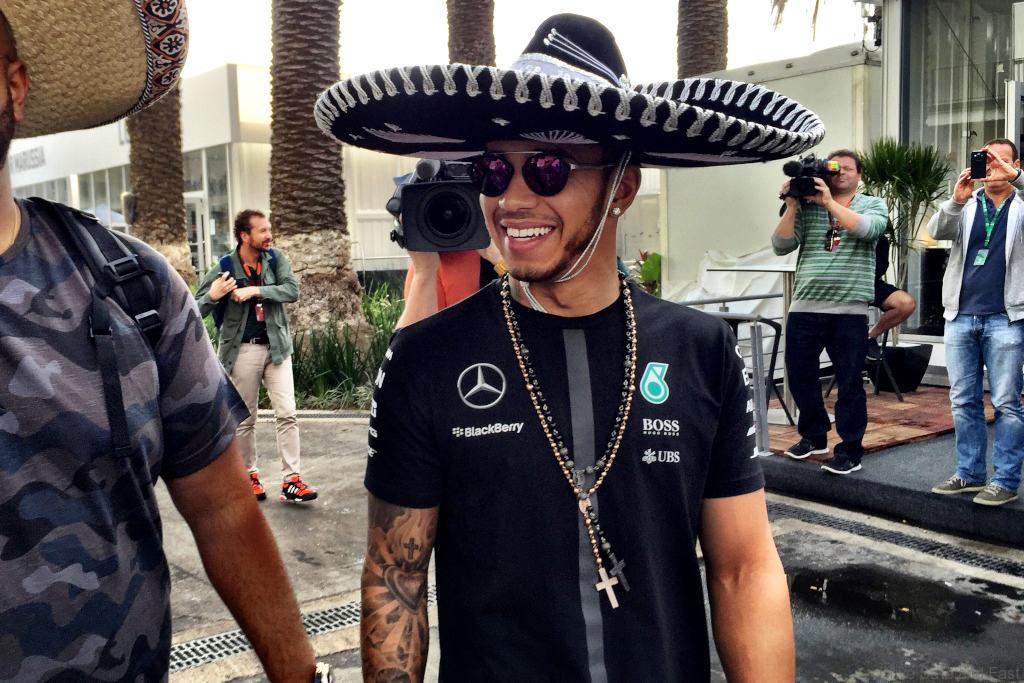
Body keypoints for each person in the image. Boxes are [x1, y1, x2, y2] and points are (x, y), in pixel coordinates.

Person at [317, 13, 825, 680]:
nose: (512, 198)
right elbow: (396, 579)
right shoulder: (426, 359)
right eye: (493, 170)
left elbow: (743, 568)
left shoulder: (701, 351)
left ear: (623, 186)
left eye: (549, 168)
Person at [0, 3, 325, 680]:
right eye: (261, 229)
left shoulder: (129, 284)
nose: (267, 236)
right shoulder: (216, 268)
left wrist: (301, 674)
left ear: (15, 86)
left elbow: (221, 505)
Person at [773, 149, 888, 474]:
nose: (840, 173)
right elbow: (781, 245)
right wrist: (792, 204)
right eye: (834, 168)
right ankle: (814, 436)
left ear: (859, 174)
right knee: (800, 375)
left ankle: (850, 450)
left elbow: (868, 230)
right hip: (805, 304)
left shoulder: (872, 204)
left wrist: (828, 203)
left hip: (849, 310)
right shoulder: (807, 204)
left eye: (847, 168)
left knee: (850, 382)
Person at [195, 209, 318, 503]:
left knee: (287, 413)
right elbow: (195, 308)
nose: (269, 235)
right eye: (262, 231)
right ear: (244, 236)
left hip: (277, 348)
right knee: (245, 418)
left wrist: (254, 291)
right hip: (243, 351)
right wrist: (213, 295)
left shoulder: (275, 259)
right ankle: (248, 476)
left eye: (269, 229)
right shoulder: (225, 267)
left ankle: (292, 481)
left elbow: (291, 290)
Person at [928, 140, 1024, 507]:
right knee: (963, 400)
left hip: (1006, 316)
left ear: (1016, 164)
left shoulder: (1020, 203)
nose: (993, 166)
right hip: (960, 315)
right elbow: (937, 230)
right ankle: (969, 473)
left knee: (1006, 402)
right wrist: (955, 200)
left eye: (1001, 160)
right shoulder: (969, 203)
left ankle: (1005, 480)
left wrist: (1016, 179)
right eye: (987, 159)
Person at [866, 234, 917, 359]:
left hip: (869, 282)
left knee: (906, 303)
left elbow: (880, 268)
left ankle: (869, 337)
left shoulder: (879, 236)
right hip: (839, 282)